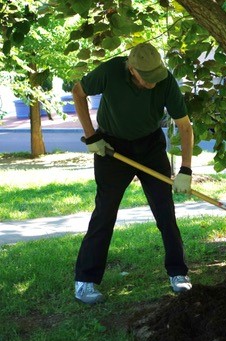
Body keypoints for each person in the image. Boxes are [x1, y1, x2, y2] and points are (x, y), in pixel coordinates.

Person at [71, 42, 195, 305]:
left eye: (155, 77)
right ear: (130, 68)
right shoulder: (111, 71)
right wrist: (91, 135)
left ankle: (178, 273)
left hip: (149, 146)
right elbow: (78, 91)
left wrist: (185, 169)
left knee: (165, 211)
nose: (151, 84)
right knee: (105, 211)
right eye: (145, 78)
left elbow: (184, 126)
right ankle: (86, 280)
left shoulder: (165, 81)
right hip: (111, 148)